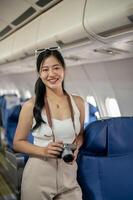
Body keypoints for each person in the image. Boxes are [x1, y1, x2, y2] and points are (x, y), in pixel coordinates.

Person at [13, 48, 85, 200]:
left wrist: (76, 148)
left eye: (56, 68)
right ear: (39, 74)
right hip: (39, 173)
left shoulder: (78, 102)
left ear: (64, 69)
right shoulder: (30, 106)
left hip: (69, 173)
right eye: (45, 69)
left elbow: (80, 134)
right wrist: (44, 151)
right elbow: (17, 143)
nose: (51, 74)